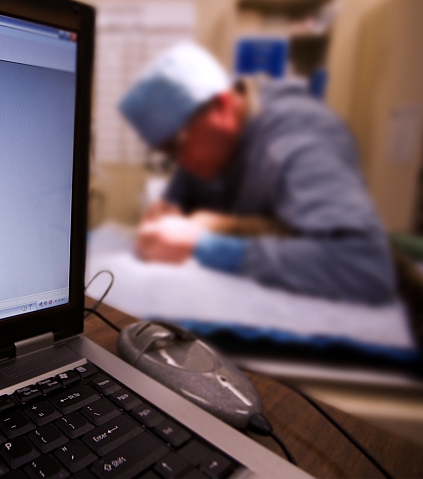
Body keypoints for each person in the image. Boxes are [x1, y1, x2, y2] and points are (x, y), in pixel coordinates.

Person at [119, 42, 396, 304]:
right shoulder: (206, 147)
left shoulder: (298, 137)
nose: (181, 163)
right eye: (167, 155)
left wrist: (207, 248)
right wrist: (164, 213)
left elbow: (365, 267)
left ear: (223, 105)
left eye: (177, 146)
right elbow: (177, 203)